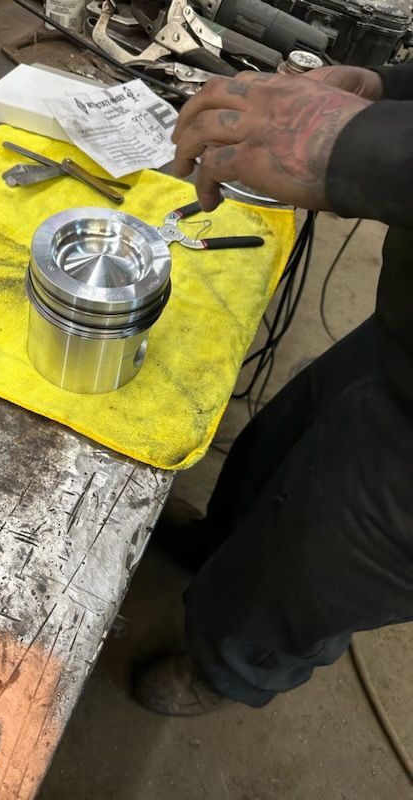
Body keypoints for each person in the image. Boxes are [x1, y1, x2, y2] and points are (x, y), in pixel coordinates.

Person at [133, 62, 413, 714]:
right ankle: (218, 542)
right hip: (402, 340)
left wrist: (373, 149)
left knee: (325, 567)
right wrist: (394, 92)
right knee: (284, 442)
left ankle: (226, 670)